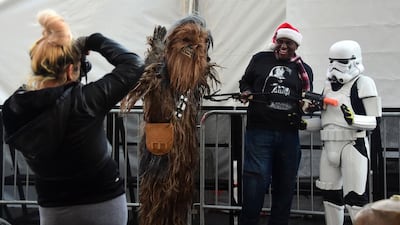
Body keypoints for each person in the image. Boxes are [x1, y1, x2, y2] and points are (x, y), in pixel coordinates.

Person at [1, 9, 144, 225]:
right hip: (102, 202)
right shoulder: (85, 100)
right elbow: (133, 65)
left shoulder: (13, 109)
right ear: (70, 71)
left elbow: (36, 90)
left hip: (52, 207)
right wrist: (93, 41)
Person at [121, 14, 219, 225]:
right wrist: (155, 56)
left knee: (180, 197)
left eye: (198, 44)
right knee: (156, 197)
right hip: (158, 146)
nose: (192, 48)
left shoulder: (193, 77)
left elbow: (199, 67)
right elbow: (144, 81)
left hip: (184, 150)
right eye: (186, 41)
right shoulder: (159, 73)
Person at [238, 22, 314, 225]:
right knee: (255, 181)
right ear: (275, 41)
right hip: (259, 131)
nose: (283, 46)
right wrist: (246, 92)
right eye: (280, 41)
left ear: (295, 46)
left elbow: (307, 99)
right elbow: (244, 82)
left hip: (289, 135)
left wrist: (309, 106)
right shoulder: (260, 59)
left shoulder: (304, 70)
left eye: (288, 42)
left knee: (285, 184)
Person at [316, 40, 382, 225]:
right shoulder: (327, 86)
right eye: (332, 61)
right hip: (329, 145)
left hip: (353, 144)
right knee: (330, 196)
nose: (335, 67)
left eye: (342, 62)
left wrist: (353, 119)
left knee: (355, 198)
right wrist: (302, 123)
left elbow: (375, 121)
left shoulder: (364, 83)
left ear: (354, 61)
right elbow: (326, 120)